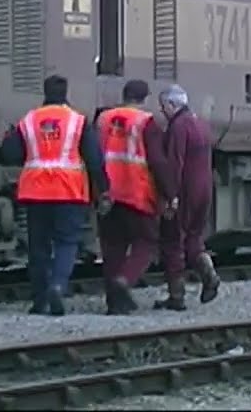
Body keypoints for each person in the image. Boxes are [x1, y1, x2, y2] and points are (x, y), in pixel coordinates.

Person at [1, 74, 112, 316]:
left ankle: (39, 300)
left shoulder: (29, 120)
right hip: (68, 192)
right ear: (65, 93)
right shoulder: (78, 121)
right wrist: (104, 189)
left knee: (38, 246)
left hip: (35, 192)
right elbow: (94, 160)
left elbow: (10, 154)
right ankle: (58, 285)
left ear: (45, 92)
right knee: (66, 242)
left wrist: (8, 138)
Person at [95, 79, 169, 315]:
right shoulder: (146, 122)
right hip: (137, 192)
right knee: (147, 242)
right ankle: (124, 280)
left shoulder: (103, 119)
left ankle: (114, 303)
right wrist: (169, 192)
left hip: (108, 193)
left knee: (112, 247)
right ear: (145, 98)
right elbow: (158, 162)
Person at [154, 84, 221, 311]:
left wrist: (170, 195)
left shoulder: (178, 127)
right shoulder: (200, 124)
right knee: (194, 237)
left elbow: (175, 164)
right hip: (204, 189)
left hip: (184, 191)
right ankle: (209, 275)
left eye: (163, 106)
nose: (162, 111)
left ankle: (177, 296)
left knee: (172, 241)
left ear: (172, 104)